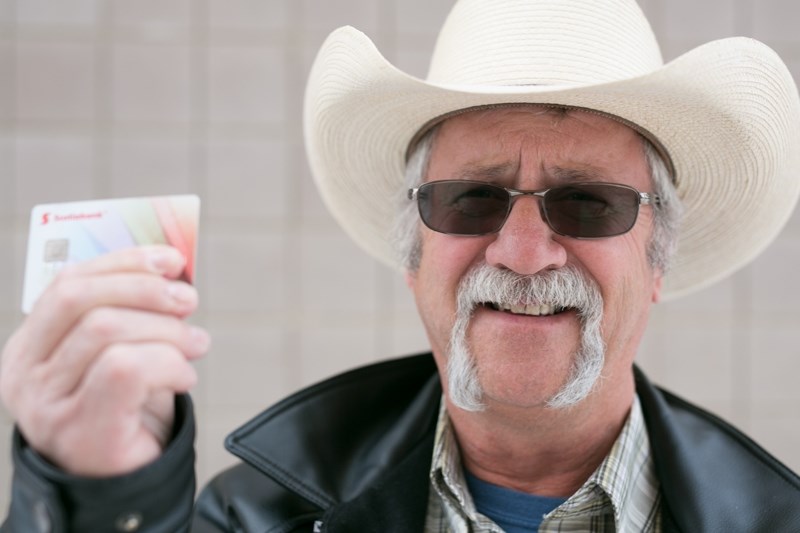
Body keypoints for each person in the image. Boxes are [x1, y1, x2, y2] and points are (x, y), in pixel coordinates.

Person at [3, 0, 800, 531]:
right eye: (471, 199)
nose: (522, 252)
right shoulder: (253, 515)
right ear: (414, 252)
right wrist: (103, 494)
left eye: (589, 203)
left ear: (655, 259)